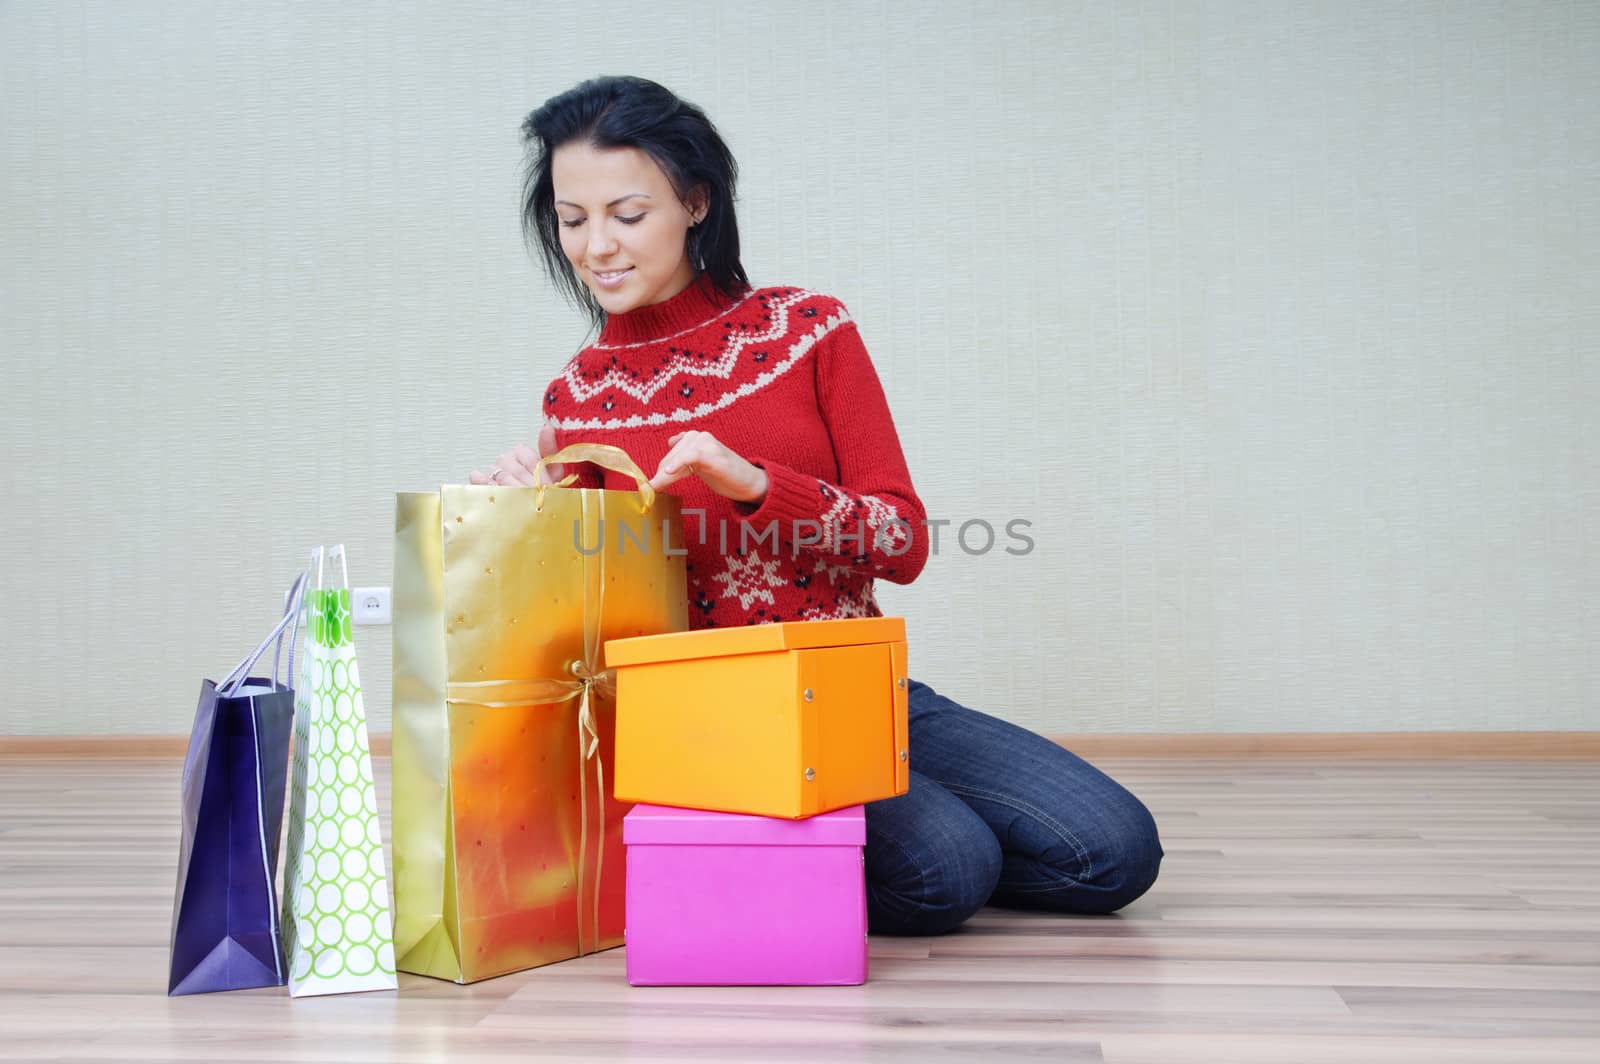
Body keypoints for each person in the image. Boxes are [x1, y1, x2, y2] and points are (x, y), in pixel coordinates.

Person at [472, 76, 1162, 935]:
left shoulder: (808, 331)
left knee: (1117, 849)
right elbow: (579, 633)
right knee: (947, 871)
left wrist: (757, 485)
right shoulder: (576, 403)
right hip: (719, 722)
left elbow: (902, 541)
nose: (597, 247)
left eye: (626, 214)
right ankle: (758, 833)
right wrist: (524, 521)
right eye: (572, 220)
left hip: (856, 689)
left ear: (694, 202)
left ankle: (789, 850)